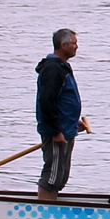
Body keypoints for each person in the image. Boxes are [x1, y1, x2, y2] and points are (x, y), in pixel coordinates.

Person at [34, 28, 89, 202]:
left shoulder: (62, 67)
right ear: (63, 45)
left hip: (67, 129)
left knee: (61, 175)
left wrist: (73, 123)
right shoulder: (53, 69)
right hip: (57, 132)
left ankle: (52, 204)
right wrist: (56, 131)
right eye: (74, 43)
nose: (77, 47)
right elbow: (47, 102)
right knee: (53, 175)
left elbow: (63, 99)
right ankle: (43, 210)